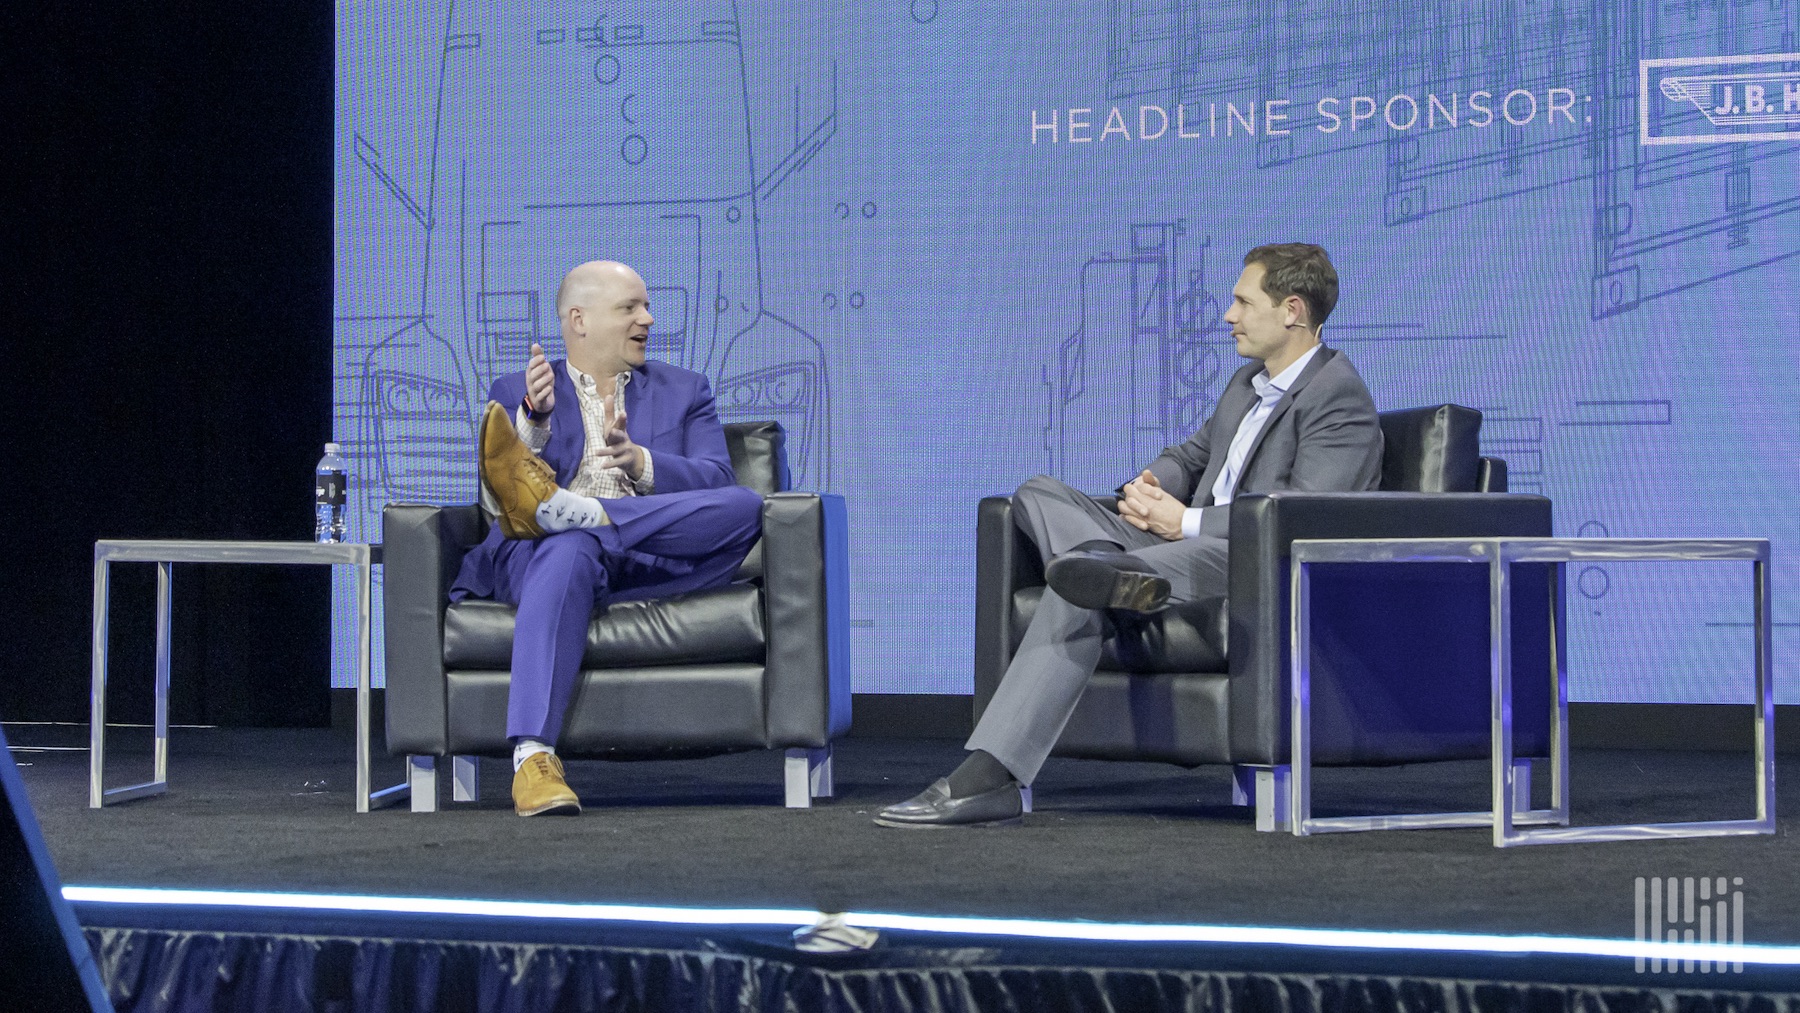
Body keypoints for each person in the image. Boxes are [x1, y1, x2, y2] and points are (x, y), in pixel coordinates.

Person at [876, 243, 1384, 828]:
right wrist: (1145, 489)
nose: (1229, 315)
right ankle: (1101, 562)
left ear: (1292, 309)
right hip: (1173, 549)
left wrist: (1183, 521)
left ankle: (991, 777)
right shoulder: (1247, 383)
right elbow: (1189, 457)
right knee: (1035, 493)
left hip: (1243, 560)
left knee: (1077, 591)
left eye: (1243, 302)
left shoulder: (1337, 395)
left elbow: (1304, 516)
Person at [454, 260, 764, 817]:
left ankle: (587, 513)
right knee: (567, 546)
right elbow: (504, 487)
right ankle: (533, 758)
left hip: (650, 555)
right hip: (547, 561)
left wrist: (642, 464)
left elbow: (717, 481)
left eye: (645, 306)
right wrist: (534, 423)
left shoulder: (686, 390)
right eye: (630, 308)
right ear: (579, 320)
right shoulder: (517, 390)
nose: (647, 318)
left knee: (744, 505)